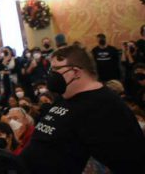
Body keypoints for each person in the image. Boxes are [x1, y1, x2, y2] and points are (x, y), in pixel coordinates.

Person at [20, 44, 145, 173]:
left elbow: (128, 161)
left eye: (56, 69)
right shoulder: (64, 97)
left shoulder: (104, 105)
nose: (51, 75)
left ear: (75, 72)